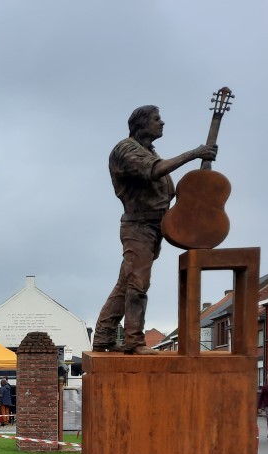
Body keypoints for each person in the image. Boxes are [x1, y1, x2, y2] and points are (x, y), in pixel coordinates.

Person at [92, 105, 218, 355]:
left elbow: (169, 189)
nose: (162, 123)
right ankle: (134, 341)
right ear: (141, 123)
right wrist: (194, 153)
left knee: (125, 284)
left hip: (154, 226)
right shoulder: (126, 149)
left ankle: (103, 339)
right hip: (138, 226)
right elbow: (154, 170)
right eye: (156, 119)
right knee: (138, 284)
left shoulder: (148, 151)